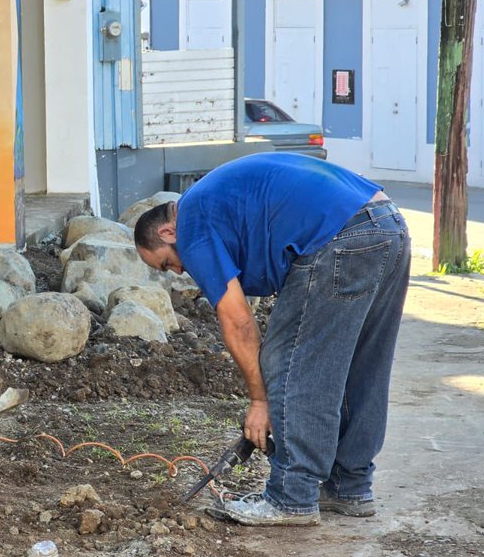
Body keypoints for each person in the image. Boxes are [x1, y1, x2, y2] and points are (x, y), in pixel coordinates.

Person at [133, 153, 410, 526]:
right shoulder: (216, 200)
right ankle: (349, 486)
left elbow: (237, 320)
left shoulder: (192, 219)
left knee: (287, 359)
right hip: (388, 227)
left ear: (168, 233)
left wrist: (260, 401)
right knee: (362, 363)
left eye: (167, 263)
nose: (180, 272)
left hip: (339, 236)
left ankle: (291, 496)